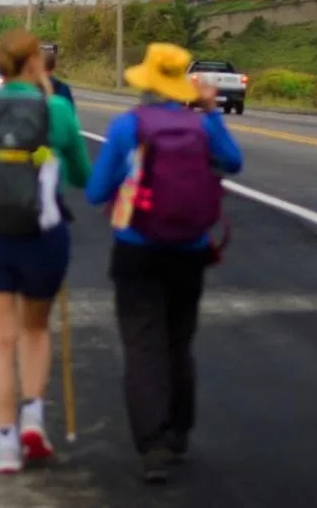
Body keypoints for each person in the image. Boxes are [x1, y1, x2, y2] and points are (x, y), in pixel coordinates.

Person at [85, 42, 242, 484]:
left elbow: (97, 191)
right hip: (190, 250)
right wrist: (210, 111)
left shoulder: (127, 127)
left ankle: (152, 445)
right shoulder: (200, 126)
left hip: (136, 248)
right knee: (178, 340)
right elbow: (233, 161)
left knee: (143, 344)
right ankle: (179, 434)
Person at [0, 29, 92, 474]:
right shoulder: (58, 110)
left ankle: (5, 443)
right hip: (43, 235)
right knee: (35, 330)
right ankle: (33, 418)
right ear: (35, 65)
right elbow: (82, 175)